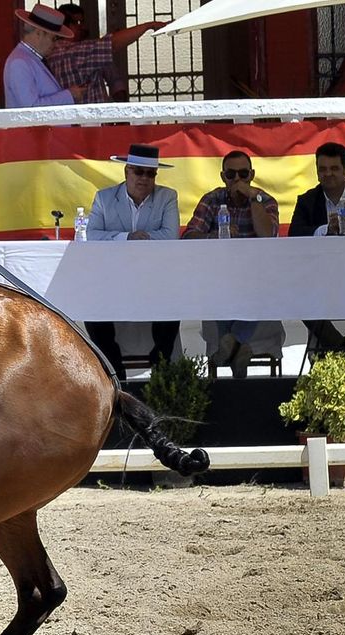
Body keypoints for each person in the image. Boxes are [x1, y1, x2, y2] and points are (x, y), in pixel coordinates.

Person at [85, 143, 180, 378]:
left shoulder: (167, 196)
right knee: (91, 308)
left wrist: (135, 239)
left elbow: (171, 236)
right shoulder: (104, 198)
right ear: (126, 171)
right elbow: (92, 235)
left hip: (155, 278)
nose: (145, 178)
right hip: (112, 279)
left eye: (150, 173)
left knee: (174, 303)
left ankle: (161, 369)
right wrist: (128, 237)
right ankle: (114, 372)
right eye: (139, 171)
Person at [183, 150, 279, 377]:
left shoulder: (265, 200)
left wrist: (252, 198)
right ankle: (239, 347)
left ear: (252, 175)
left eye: (243, 174)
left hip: (255, 275)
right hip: (220, 274)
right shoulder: (212, 199)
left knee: (261, 288)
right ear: (222, 176)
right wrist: (215, 235)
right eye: (231, 174)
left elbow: (268, 235)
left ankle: (230, 344)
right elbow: (189, 237)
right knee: (216, 289)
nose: (237, 180)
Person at [289, 142, 345, 350]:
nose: (328, 174)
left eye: (334, 169)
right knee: (295, 297)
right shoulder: (307, 200)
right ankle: (340, 348)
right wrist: (325, 229)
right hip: (320, 277)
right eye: (323, 169)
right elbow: (295, 235)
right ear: (317, 172)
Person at [48, 4, 167, 104]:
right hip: (88, 126)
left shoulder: (56, 52)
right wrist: (148, 26)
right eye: (79, 22)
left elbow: (113, 78)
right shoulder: (72, 53)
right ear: (66, 25)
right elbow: (112, 44)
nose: (83, 27)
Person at [3, 3, 85, 108]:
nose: (55, 44)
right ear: (39, 33)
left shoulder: (28, 58)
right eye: (53, 39)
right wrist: (69, 95)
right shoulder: (19, 63)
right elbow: (31, 108)